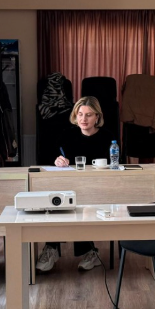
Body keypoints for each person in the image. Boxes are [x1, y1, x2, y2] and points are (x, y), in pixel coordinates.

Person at [38, 97, 115, 273]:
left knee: (79, 203)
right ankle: (51, 248)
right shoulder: (67, 134)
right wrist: (56, 160)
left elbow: (115, 164)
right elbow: (49, 155)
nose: (83, 119)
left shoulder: (107, 137)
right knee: (56, 200)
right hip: (70, 186)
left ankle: (89, 252)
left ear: (97, 117)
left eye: (88, 115)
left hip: (99, 187)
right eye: (80, 114)